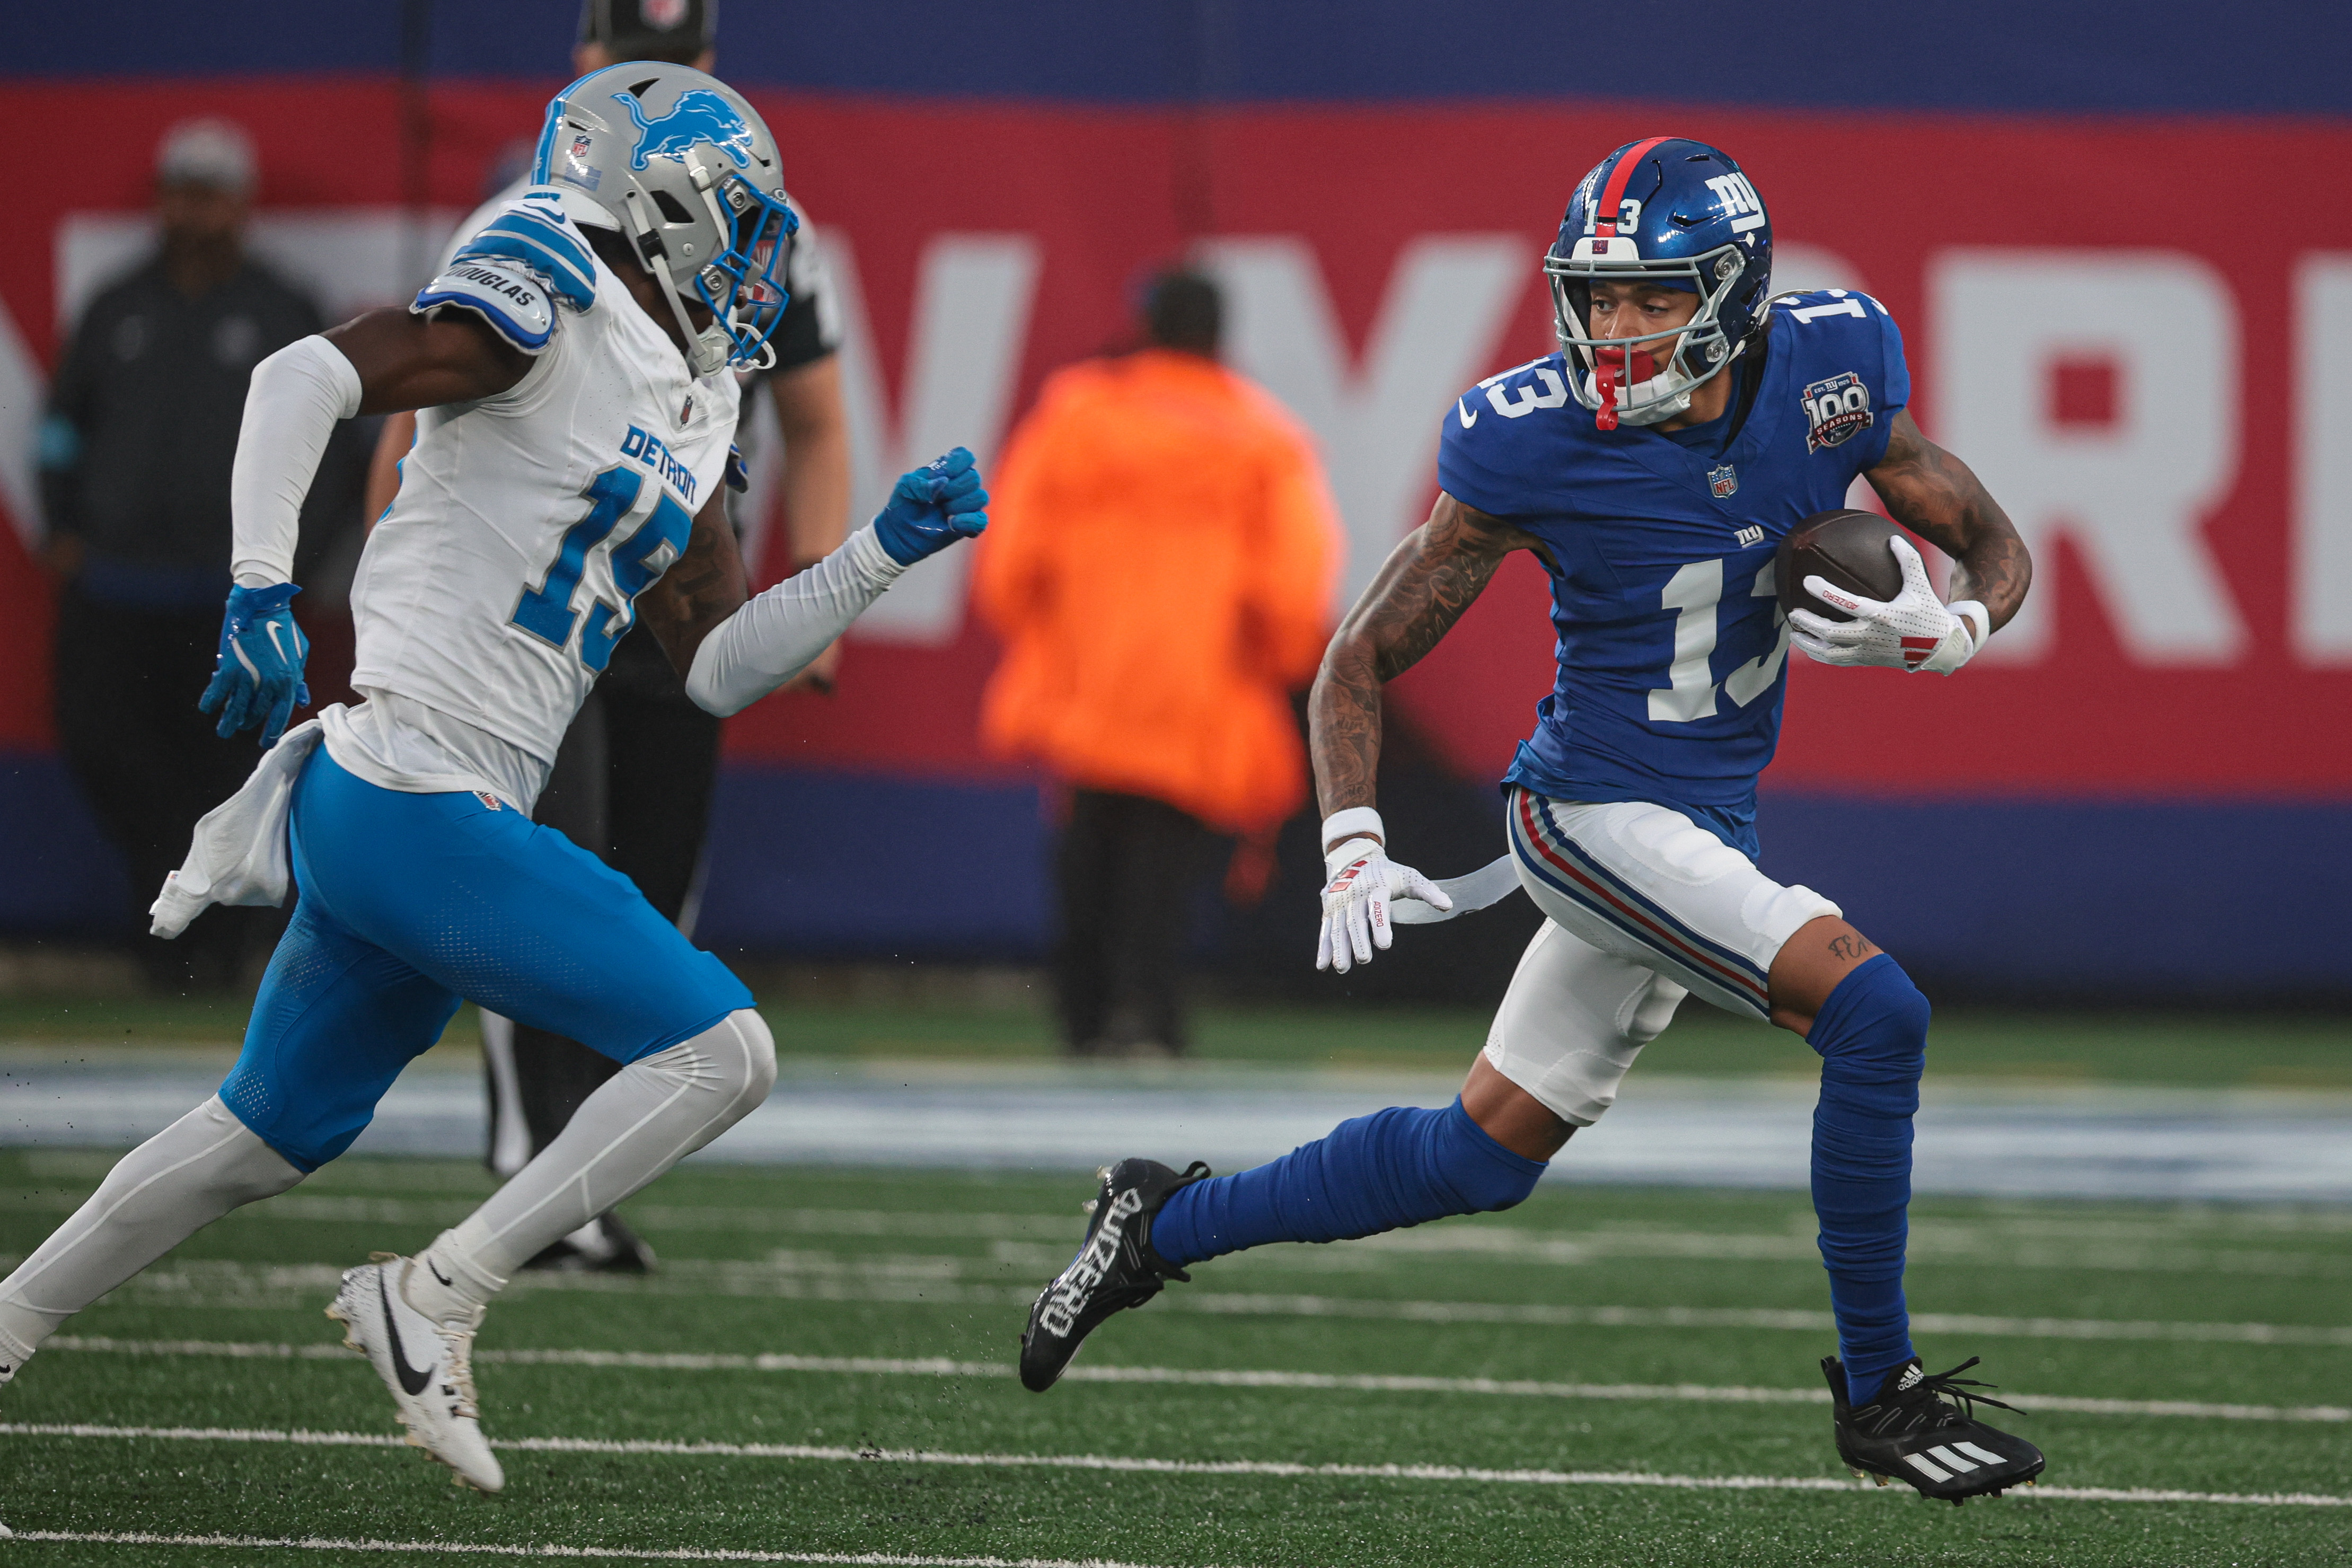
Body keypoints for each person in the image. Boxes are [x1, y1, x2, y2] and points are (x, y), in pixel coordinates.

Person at [0, 64, 986, 1496]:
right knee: (726, 1050)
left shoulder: (699, 391)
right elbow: (302, 378)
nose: (752, 246)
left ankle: (8, 1320)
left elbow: (709, 661)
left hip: (425, 808)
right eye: (730, 212)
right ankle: (439, 1290)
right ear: (638, 193)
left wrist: (872, 556)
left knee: (254, 1137)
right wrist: (262, 587)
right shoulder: (545, 277)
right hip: (407, 782)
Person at [1017, 138, 2048, 1504]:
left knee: (1480, 1154)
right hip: (1586, 812)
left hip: (1699, 823)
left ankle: (1155, 1222)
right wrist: (1349, 837)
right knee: (1878, 1015)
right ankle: (1878, 1391)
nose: (1612, 332)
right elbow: (1355, 656)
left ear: (1734, 296)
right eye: (1595, 298)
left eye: (1653, 299)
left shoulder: (1834, 368)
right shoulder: (1528, 437)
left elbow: (1987, 538)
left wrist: (1958, 626)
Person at [363, 0, 853, 1268]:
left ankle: (564, 1167)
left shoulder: (758, 222)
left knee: (647, 879)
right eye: (642, 55)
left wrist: (829, 581)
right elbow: (406, 406)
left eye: (682, 60)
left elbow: (813, 416)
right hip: (547, 595)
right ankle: (530, 1154)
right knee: (542, 864)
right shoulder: (528, 222)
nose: (661, 78)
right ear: (587, 65)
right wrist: (387, 577)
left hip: (671, 579)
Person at [975, 271, 1340, 1056]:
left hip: (1085, 683)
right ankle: (1147, 1013)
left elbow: (1009, 563)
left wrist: (1054, 633)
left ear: (1144, 324)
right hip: (1198, 694)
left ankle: (1079, 1017)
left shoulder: (1078, 412)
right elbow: (1294, 588)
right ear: (1218, 336)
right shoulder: (1263, 436)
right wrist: (1270, 660)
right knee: (1162, 868)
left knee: (1087, 850)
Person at [38, 119, 354, 992]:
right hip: (115, 584)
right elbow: (62, 428)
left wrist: (304, 554)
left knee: (229, 767)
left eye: (212, 196)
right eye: (182, 192)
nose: (196, 212)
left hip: (231, 594)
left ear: (241, 206)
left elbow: (335, 450)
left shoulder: (280, 310)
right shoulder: (118, 304)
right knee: (107, 744)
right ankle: (170, 902)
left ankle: (211, 950)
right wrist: (62, 518)